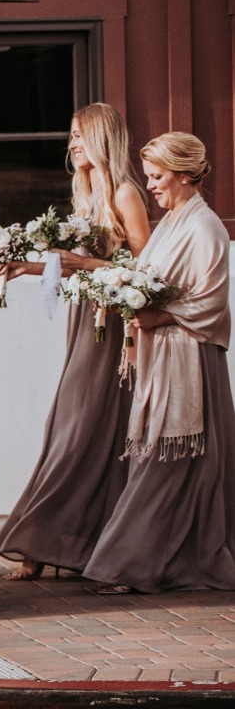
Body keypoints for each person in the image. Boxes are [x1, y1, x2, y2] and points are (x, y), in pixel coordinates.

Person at [0, 103, 150, 580]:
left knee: (86, 427)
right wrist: (27, 267)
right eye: (71, 135)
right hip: (85, 321)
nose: (72, 143)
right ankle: (60, 541)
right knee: (73, 424)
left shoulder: (125, 193)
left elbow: (144, 269)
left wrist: (77, 265)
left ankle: (43, 542)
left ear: (103, 138)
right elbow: (76, 264)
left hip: (116, 324)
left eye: (80, 134)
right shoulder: (88, 195)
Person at [81, 132, 235, 594]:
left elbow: (211, 303)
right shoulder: (171, 222)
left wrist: (156, 312)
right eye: (148, 176)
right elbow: (145, 275)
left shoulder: (205, 227)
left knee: (172, 460)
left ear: (186, 174)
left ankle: (126, 564)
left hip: (191, 360)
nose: (150, 185)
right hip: (160, 354)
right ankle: (167, 560)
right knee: (165, 457)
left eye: (157, 176)